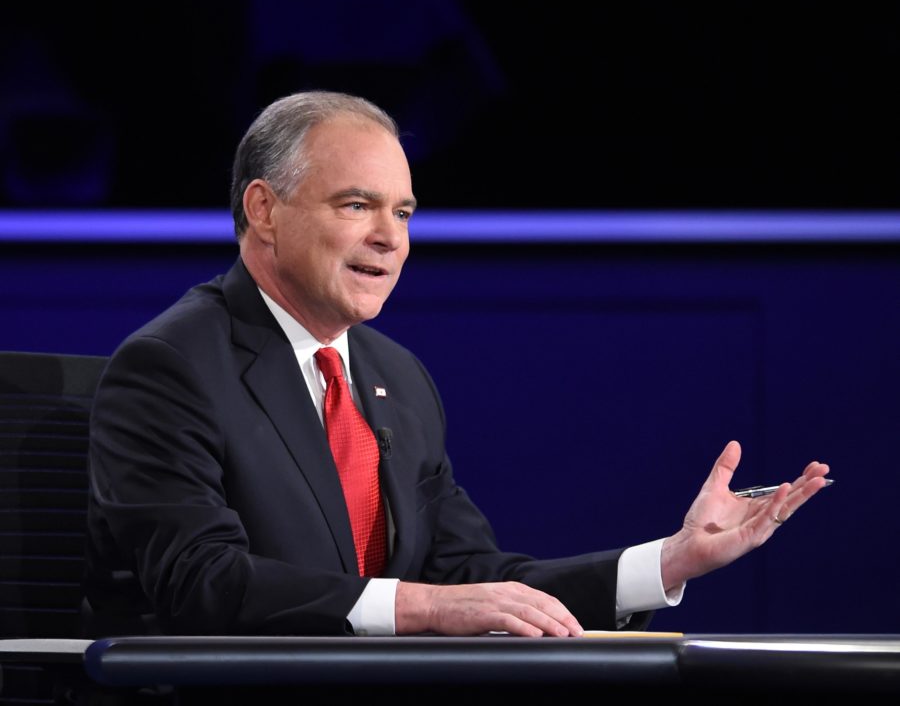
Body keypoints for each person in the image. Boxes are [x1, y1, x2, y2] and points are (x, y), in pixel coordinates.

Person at [82, 90, 830, 639]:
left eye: (403, 213)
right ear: (264, 210)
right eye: (356, 205)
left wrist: (666, 563)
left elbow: (473, 579)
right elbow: (201, 583)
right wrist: (424, 608)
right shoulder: (171, 368)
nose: (390, 238)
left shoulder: (397, 377)